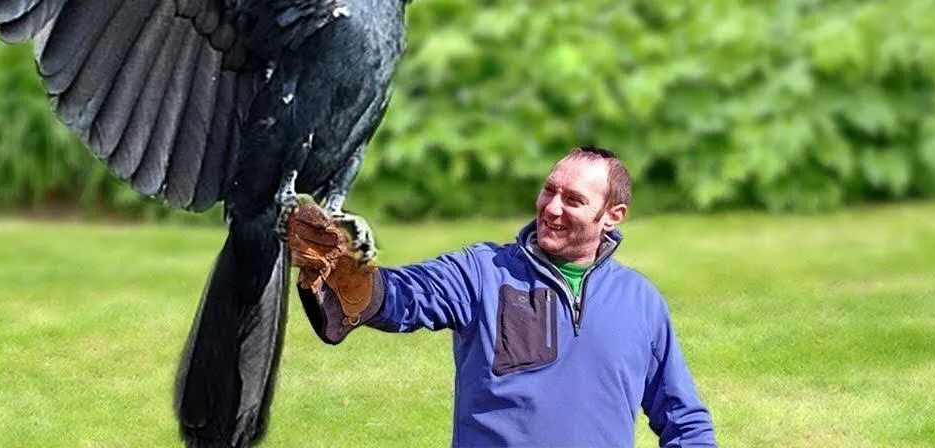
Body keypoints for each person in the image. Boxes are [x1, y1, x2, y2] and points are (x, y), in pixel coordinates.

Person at [287, 146, 717, 448]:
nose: (551, 208)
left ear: (611, 216)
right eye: (549, 190)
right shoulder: (482, 272)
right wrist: (353, 277)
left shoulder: (641, 301)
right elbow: (405, 295)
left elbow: (683, 417)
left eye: (574, 200)